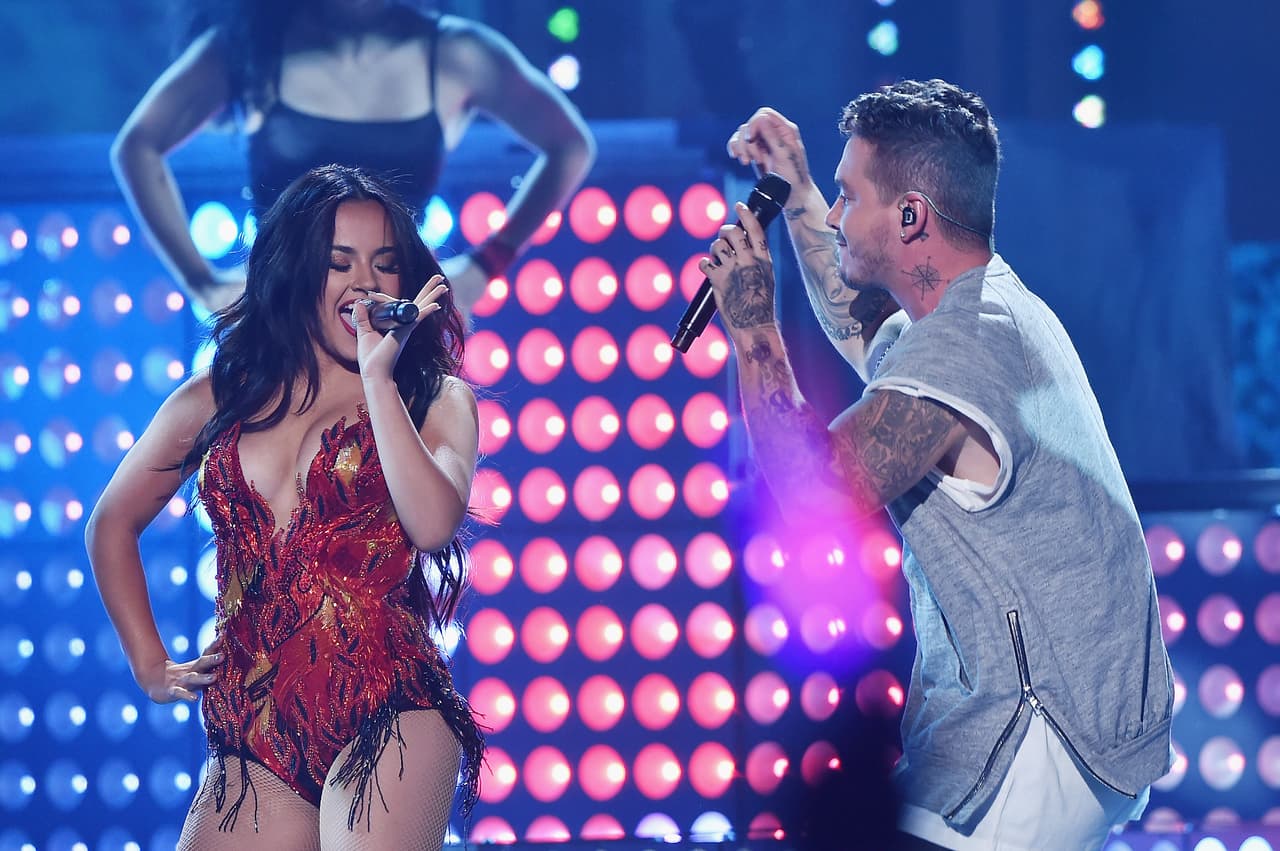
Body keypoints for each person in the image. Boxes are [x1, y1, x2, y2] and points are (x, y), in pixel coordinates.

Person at [703, 79, 1174, 850]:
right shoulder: (977, 308)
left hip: (1038, 738)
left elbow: (813, 495)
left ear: (911, 215)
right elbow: (865, 332)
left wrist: (753, 322)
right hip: (1075, 724)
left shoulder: (963, 350)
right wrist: (794, 187)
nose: (835, 216)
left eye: (849, 196)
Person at [86, 164, 483, 849]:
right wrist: (150, 663)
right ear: (295, 270)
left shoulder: (434, 398)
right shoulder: (218, 398)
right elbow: (112, 524)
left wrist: (379, 380)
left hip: (389, 710)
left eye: (385, 263)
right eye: (339, 262)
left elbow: (432, 523)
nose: (364, 282)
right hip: (253, 732)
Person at [112, 0, 595, 316]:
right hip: (276, 330)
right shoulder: (248, 48)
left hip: (399, 329)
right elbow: (137, 145)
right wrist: (201, 283)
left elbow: (570, 145)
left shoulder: (458, 54)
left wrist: (486, 265)